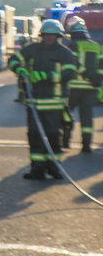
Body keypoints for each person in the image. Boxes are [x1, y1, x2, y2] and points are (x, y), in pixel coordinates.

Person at [12, 19, 77, 180]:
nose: (49, 38)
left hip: (54, 104)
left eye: (52, 35)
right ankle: (37, 169)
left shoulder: (64, 53)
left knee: (54, 136)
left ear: (58, 36)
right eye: (46, 34)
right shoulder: (32, 49)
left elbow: (70, 73)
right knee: (34, 136)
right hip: (34, 103)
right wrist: (20, 69)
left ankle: (54, 168)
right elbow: (13, 59)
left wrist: (48, 76)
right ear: (42, 35)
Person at [63, 16, 100, 153]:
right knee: (87, 117)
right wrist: (98, 81)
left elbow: (71, 63)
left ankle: (66, 141)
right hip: (91, 88)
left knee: (66, 114)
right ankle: (86, 145)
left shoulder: (70, 46)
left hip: (72, 87)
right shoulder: (96, 46)